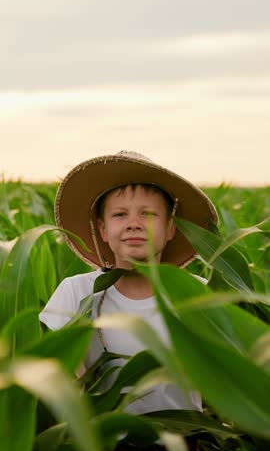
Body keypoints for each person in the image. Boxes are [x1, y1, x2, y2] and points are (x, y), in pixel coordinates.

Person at [39, 150, 218, 416]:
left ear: (171, 229)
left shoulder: (200, 293)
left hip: (185, 440)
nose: (134, 224)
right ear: (102, 229)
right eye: (120, 215)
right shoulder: (76, 292)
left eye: (147, 214)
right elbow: (47, 361)